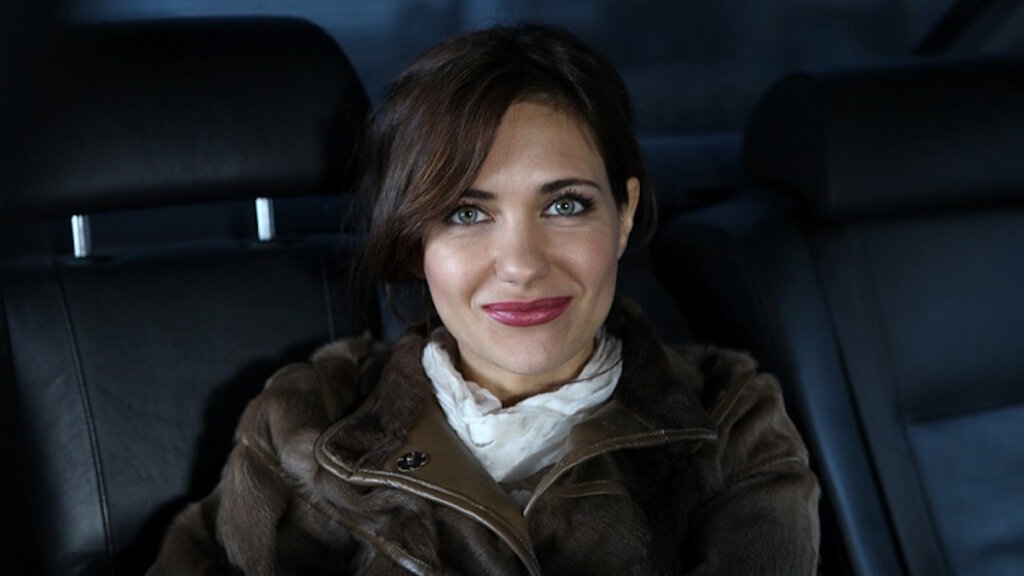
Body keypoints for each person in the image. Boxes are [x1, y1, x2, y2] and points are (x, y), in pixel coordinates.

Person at [148, 23, 819, 575]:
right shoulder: (303, 425)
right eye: (466, 214)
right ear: (415, 240)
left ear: (623, 215)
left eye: (564, 205)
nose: (522, 265)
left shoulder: (730, 425)